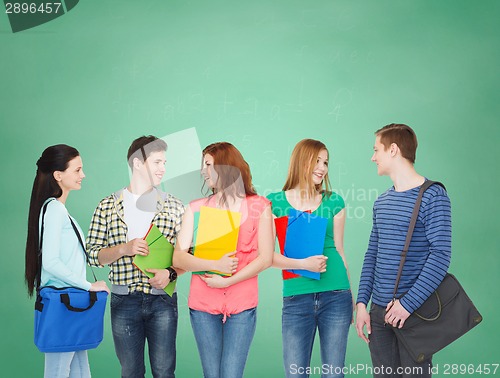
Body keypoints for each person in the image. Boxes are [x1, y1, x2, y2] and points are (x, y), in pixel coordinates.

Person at [355, 124, 452, 378]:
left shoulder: (434, 196)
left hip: (414, 314)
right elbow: (372, 254)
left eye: (377, 150)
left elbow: (440, 256)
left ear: (394, 150)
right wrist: (362, 303)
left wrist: (407, 305)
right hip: (378, 315)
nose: (373, 157)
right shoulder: (382, 202)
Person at [173, 142, 274, 378]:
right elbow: (178, 257)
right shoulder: (196, 209)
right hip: (203, 304)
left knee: (230, 374)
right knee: (212, 375)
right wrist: (214, 266)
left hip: (242, 304)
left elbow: (266, 258)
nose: (202, 171)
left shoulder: (260, 206)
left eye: (208, 164)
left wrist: (228, 281)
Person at [86, 136, 184, 378]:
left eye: (165, 162)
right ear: (138, 163)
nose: (163, 168)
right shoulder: (108, 205)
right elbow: (93, 255)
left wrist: (170, 273)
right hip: (124, 300)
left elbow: (189, 253)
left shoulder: (174, 205)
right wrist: (123, 249)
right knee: (130, 372)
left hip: (163, 300)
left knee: (164, 371)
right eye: (157, 162)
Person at [266, 139, 353, 378]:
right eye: (317, 160)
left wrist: (352, 297)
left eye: (325, 162)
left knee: (333, 374)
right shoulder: (275, 202)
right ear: (301, 161)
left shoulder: (334, 201)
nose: (322, 167)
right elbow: (266, 257)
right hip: (296, 298)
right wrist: (303, 264)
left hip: (336, 295)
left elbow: (340, 250)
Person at [25, 144, 109, 378]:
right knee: (58, 372)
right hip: (64, 304)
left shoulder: (58, 210)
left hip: (70, 305)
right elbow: (50, 263)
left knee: (81, 372)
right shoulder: (54, 210)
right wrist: (89, 285)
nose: (83, 175)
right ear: (58, 175)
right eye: (77, 170)